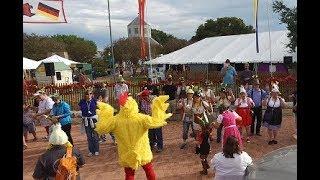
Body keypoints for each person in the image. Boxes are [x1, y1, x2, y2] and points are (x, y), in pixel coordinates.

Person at [95, 93, 171, 180]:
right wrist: (157, 105)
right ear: (133, 104)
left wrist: (105, 112)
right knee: (148, 169)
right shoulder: (141, 118)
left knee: (129, 174)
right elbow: (156, 122)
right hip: (142, 150)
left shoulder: (115, 120)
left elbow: (102, 129)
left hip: (126, 152)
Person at [78, 90, 100, 156]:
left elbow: (99, 108)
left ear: (92, 94)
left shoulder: (94, 101)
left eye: (90, 94)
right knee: (89, 136)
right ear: (85, 95)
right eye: (87, 94)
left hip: (94, 120)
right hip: (86, 120)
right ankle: (91, 151)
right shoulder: (82, 101)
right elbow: (79, 108)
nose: (89, 95)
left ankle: (96, 150)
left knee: (95, 136)